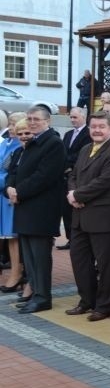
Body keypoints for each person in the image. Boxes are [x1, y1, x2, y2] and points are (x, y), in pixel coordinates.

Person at [64, 111, 110, 322]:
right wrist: (72, 195)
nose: (97, 130)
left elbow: (104, 182)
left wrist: (78, 195)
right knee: (80, 261)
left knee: (106, 264)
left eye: (101, 127)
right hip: (80, 215)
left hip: (103, 218)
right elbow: (73, 175)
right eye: (94, 127)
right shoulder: (85, 149)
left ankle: (104, 306)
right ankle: (87, 300)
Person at [5, 106, 66, 314]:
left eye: (36, 119)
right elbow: (15, 169)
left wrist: (18, 191)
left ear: (47, 120)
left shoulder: (53, 143)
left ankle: (43, 297)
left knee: (40, 257)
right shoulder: (31, 142)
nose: (31, 122)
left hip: (41, 209)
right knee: (29, 257)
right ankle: (34, 293)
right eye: (29, 118)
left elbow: (44, 176)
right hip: (24, 207)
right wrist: (10, 189)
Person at [58, 107, 92, 251]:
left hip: (78, 176)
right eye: (71, 117)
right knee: (66, 210)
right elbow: (62, 153)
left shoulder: (88, 134)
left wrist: (69, 165)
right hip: (65, 177)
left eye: (75, 117)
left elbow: (82, 154)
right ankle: (69, 238)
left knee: (74, 211)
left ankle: (77, 240)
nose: (72, 120)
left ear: (83, 117)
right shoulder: (67, 134)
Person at [0, 118, 23, 292]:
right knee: (8, 238)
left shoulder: (19, 146)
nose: (12, 127)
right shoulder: (6, 143)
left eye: (16, 124)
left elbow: (8, 171)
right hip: (2, 192)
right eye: (11, 123)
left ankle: (17, 273)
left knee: (13, 236)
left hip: (9, 194)